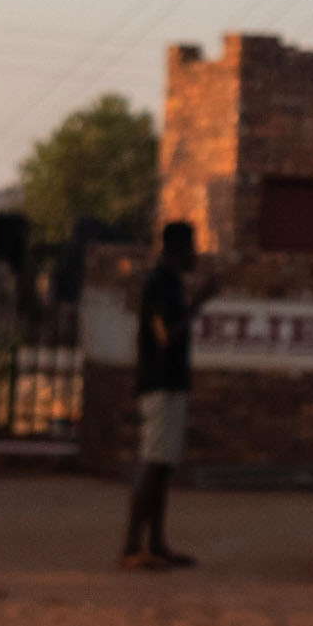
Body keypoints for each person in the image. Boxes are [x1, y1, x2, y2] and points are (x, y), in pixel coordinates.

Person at [120, 220, 204, 571]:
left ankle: (156, 543)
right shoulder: (160, 284)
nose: (196, 255)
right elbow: (164, 336)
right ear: (179, 249)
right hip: (159, 384)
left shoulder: (170, 283)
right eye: (191, 247)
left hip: (170, 384)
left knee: (164, 465)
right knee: (153, 463)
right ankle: (131, 548)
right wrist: (198, 305)